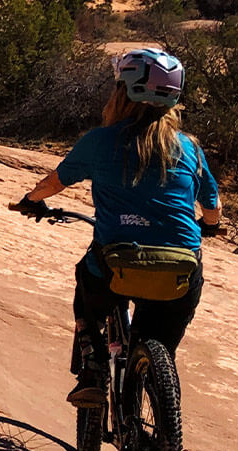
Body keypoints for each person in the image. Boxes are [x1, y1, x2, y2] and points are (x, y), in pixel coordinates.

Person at [14, 49, 222, 407]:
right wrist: (208, 226)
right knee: (159, 343)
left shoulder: (100, 141)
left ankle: (93, 369)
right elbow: (213, 206)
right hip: (180, 269)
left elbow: (53, 183)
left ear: (122, 92)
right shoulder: (189, 148)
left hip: (114, 263)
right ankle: (158, 403)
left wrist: (32, 200)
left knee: (86, 278)